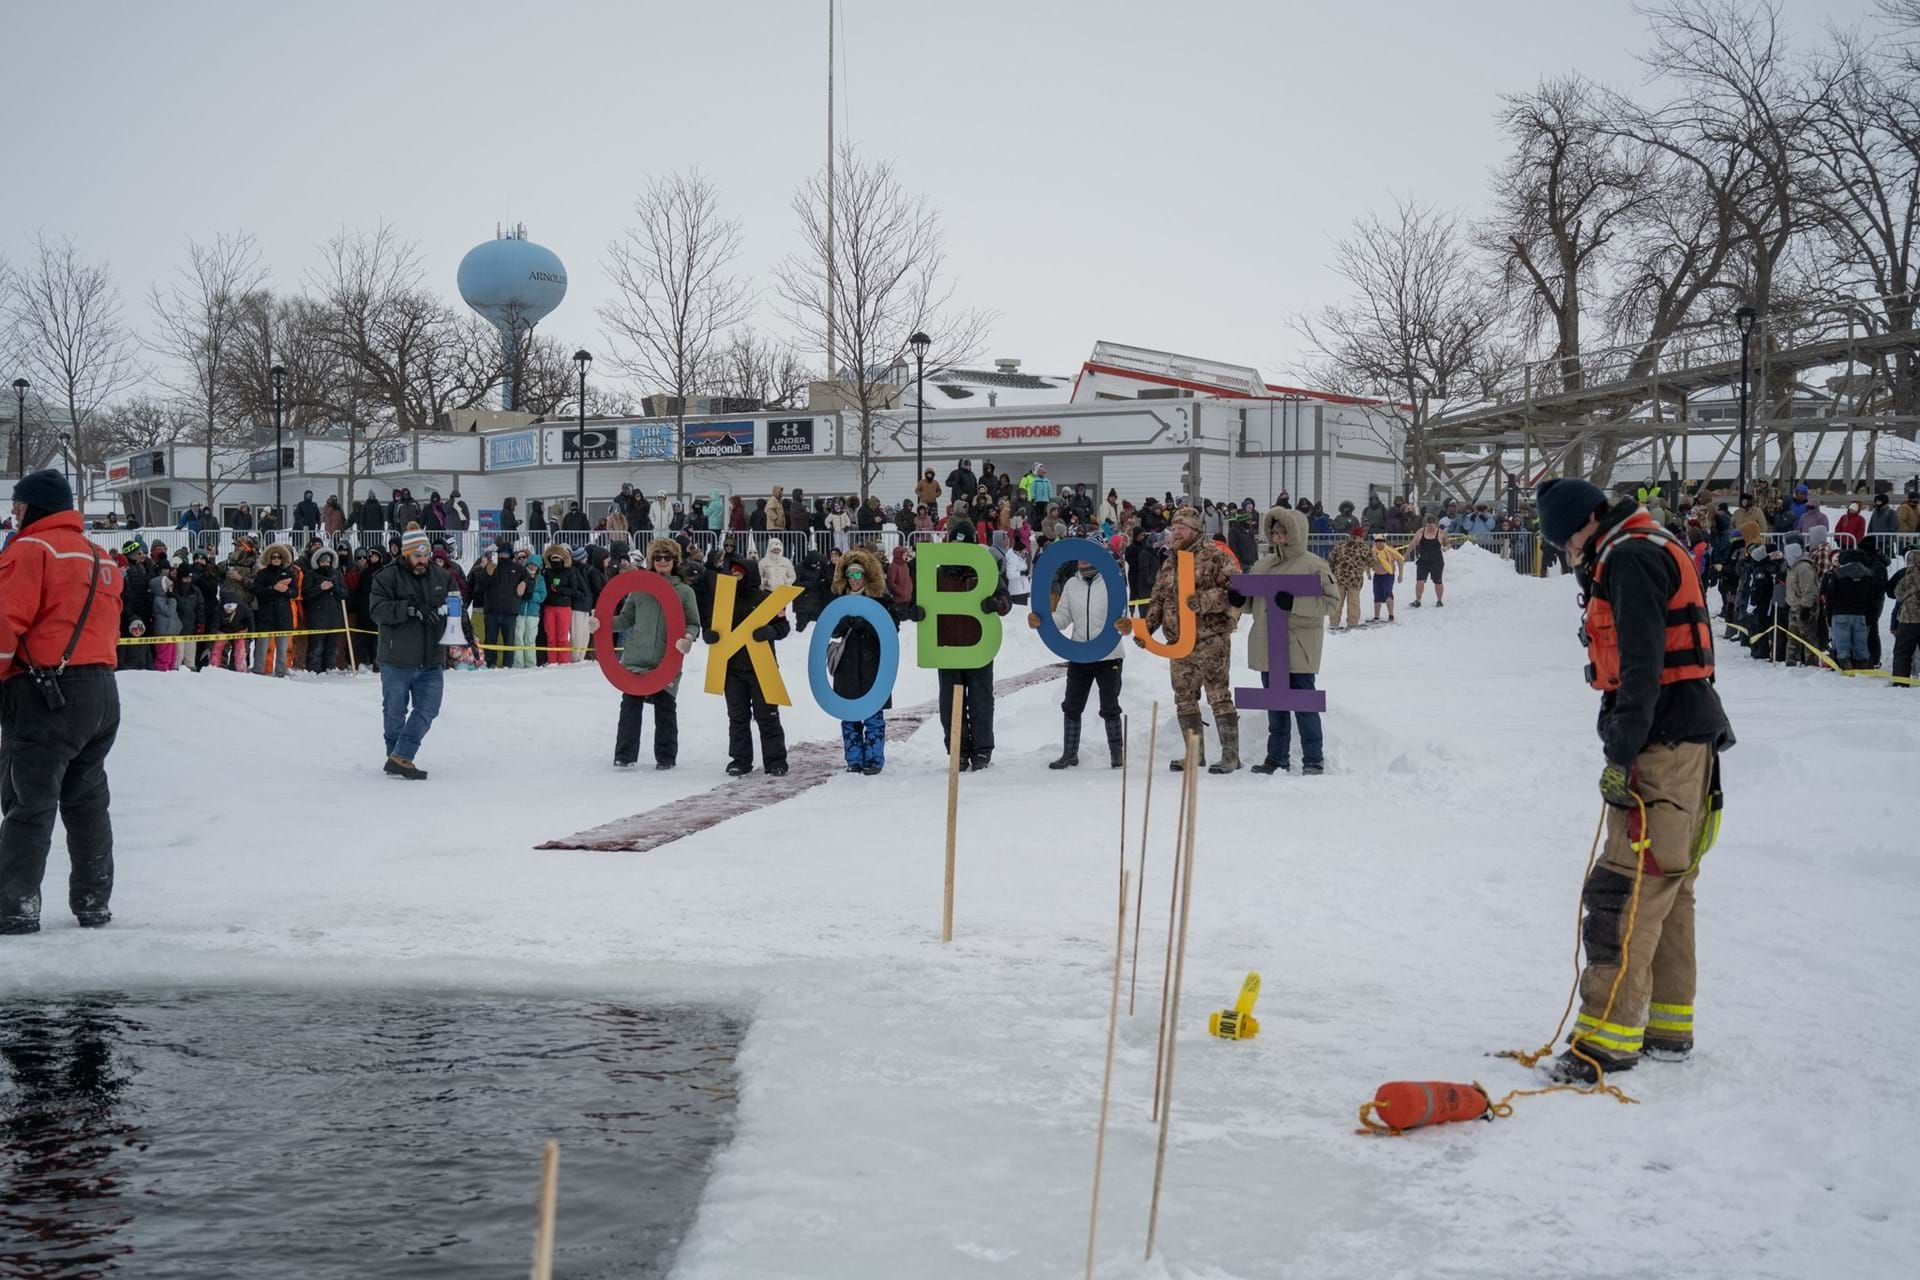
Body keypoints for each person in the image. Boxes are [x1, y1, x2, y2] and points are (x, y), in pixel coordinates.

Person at [1533, 476, 1733, 1084]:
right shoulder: (1646, 544)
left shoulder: (1630, 557)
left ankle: (1604, 1041)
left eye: (1563, 543)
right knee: (1671, 890)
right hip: (1689, 737)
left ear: (1579, 528)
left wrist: (1620, 751)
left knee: (1624, 890)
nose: (1568, 557)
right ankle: (1666, 1026)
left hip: (1663, 743)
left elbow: (1643, 667)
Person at [0, 471, 125, 935]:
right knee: (88, 800)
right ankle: (93, 902)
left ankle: (14, 908)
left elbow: (5, 621)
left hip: (46, 690)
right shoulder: (100, 555)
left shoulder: (32, 550)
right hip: (102, 691)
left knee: (29, 802)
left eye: (18, 505)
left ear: (36, 506)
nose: (13, 513)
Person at [1136, 506, 1238, 773]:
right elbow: (1158, 600)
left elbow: (1237, 591)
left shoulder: (1215, 556)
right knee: (1184, 698)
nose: (1176, 532)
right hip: (1178, 642)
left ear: (1195, 530)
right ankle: (1194, 754)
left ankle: (1231, 756)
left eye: (1181, 528)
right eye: (1174, 527)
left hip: (1210, 639)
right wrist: (1145, 630)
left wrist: (1204, 601)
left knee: (1218, 695)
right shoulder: (1170, 562)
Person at [1245, 506, 1335, 776]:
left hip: (1298, 645)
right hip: (1268, 645)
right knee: (1275, 705)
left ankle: (1313, 759)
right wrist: (1240, 600)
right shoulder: (1262, 566)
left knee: (1304, 706)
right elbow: (1252, 600)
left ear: (1296, 533)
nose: (1277, 536)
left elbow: (1331, 602)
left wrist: (1296, 601)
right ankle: (1276, 757)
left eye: (1283, 531)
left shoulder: (1313, 565)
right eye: (1273, 531)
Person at [368, 529, 454, 780]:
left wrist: (465, 634)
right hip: (397, 657)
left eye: (425, 554)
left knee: (429, 708)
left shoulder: (442, 576)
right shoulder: (386, 577)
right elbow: (377, 610)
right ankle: (396, 755)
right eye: (417, 554)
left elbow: (456, 607)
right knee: (395, 711)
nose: (422, 559)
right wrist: (411, 609)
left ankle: (400, 755)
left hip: (431, 658)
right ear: (406, 554)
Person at [613, 539, 702, 770]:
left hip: (667, 660)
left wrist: (688, 639)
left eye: (667, 557)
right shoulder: (639, 589)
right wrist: (600, 624)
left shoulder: (684, 591)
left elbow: (693, 623)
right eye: (658, 557)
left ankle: (666, 757)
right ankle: (624, 754)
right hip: (636, 659)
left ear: (675, 561)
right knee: (630, 707)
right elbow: (625, 619)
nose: (662, 561)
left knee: (665, 707)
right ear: (651, 561)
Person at [933, 521, 1011, 772]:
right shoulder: (938, 573)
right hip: (948, 648)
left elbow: (1005, 601)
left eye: (962, 543)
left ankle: (981, 751)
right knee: (950, 704)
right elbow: (922, 603)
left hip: (978, 647)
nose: (957, 548)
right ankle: (958, 750)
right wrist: (918, 611)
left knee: (981, 702)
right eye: (953, 543)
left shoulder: (984, 570)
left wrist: (995, 603)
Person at [1033, 557, 1125, 769]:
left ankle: (1116, 753)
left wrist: (1125, 623)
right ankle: (1069, 753)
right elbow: (1063, 616)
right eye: (1080, 555)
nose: (1083, 560)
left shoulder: (1112, 581)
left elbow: (1122, 613)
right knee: (1072, 706)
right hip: (1079, 654)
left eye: (1089, 553)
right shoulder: (1072, 584)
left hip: (1109, 654)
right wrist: (1043, 620)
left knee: (1110, 706)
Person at [708, 553, 790, 777]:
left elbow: (784, 627)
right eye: (732, 572)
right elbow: (712, 625)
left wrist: (770, 631)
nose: (735, 577)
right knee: (737, 717)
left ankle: (775, 760)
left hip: (762, 668)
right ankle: (740, 759)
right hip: (732, 670)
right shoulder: (723, 600)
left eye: (739, 573)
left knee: (768, 715)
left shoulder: (766, 599)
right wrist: (711, 635)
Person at [828, 547, 905, 775]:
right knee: (849, 715)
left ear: (866, 576)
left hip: (873, 665)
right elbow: (829, 629)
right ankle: (854, 760)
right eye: (850, 575)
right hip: (847, 667)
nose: (854, 580)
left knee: (873, 715)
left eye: (858, 575)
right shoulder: (839, 601)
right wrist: (843, 624)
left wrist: (866, 626)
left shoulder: (881, 600)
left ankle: (873, 760)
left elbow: (893, 628)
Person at [471, 542, 530, 668]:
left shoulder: (518, 568)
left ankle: (508, 664)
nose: (503, 555)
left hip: (510, 611)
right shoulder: (491, 566)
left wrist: (525, 583)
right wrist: (486, 572)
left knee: (509, 641)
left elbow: (530, 581)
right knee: (490, 640)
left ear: (510, 553)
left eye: (506, 553)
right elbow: (479, 586)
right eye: (501, 553)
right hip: (492, 610)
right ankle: (491, 663)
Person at [1823, 548, 1877, 670]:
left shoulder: (1837, 573)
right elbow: (1871, 598)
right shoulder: (1868, 573)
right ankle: (1863, 669)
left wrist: (1829, 614)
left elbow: (1831, 596)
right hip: (1860, 615)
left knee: (1843, 647)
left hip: (1840, 614)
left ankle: (1846, 670)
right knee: (1861, 646)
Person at [302, 546, 347, 673]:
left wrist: (334, 588)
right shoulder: (311, 574)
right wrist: (320, 588)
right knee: (316, 647)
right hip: (317, 617)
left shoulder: (337, 574)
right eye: (323, 562)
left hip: (334, 617)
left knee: (332, 648)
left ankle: (330, 669)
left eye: (327, 562)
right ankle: (313, 670)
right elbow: (306, 594)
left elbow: (345, 592)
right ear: (317, 562)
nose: (325, 564)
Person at [1326, 526, 1372, 631]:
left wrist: (1332, 572)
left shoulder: (1340, 545)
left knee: (1337, 602)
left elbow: (1331, 560)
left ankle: (1334, 623)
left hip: (1339, 578)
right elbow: (1373, 562)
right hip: (1355, 580)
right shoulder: (1364, 548)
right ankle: (1352, 623)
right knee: (1354, 603)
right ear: (1361, 536)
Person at [1887, 549, 1920, 683]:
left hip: (1909, 619)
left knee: (1902, 652)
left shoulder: (1906, 575)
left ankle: (1901, 680)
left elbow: (1895, 593)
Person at [1407, 516, 1447, 606]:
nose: (1430, 529)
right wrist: (1405, 555)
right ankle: (1418, 600)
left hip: (1436, 561)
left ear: (1435, 525)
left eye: (1432, 527)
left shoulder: (1440, 533)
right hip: (1423, 560)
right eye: (1428, 526)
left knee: (1438, 581)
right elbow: (1413, 543)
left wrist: (1445, 548)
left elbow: (1447, 544)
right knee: (1419, 581)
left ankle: (1439, 600)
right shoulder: (1421, 531)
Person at [1370, 533, 1406, 622]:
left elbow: (1400, 560)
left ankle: (1391, 615)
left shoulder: (1390, 550)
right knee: (1376, 594)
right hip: (1377, 575)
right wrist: (1368, 572)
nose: (1379, 544)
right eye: (1377, 542)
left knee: (1388, 593)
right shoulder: (1373, 551)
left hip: (1388, 575)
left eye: (1381, 542)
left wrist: (1400, 575)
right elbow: (1368, 561)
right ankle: (1376, 616)